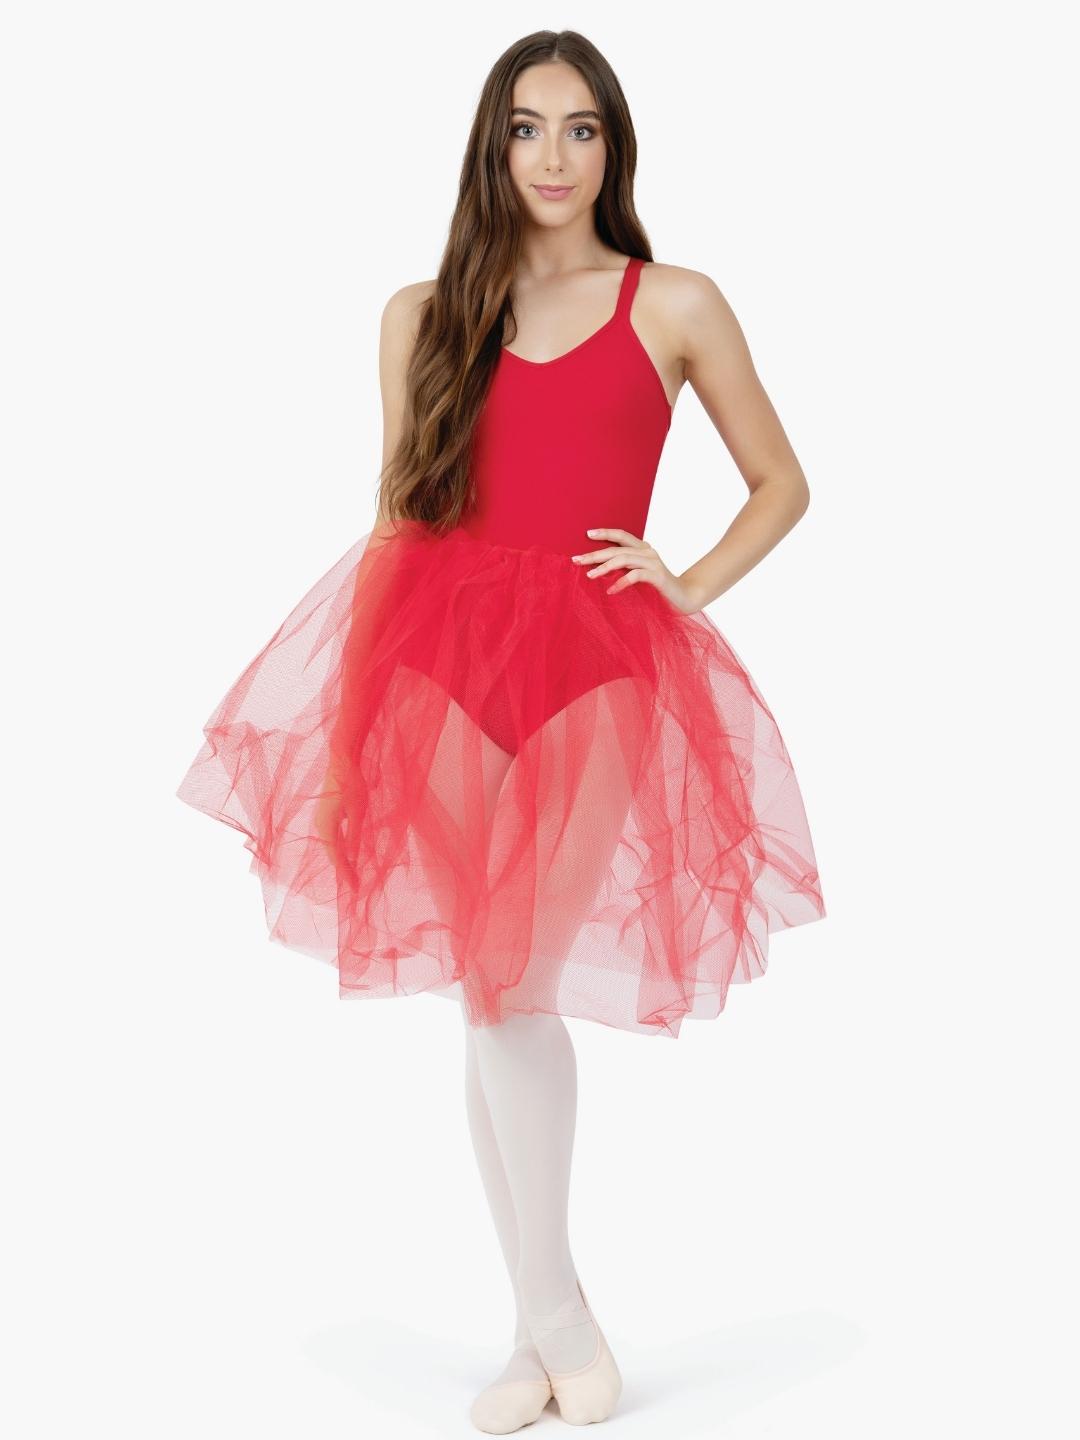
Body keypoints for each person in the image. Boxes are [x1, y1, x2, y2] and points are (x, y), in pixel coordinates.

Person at [176, 29, 826, 1433]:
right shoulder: (423, 313)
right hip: (438, 664)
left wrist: (686, 583)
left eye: (582, 128)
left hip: (595, 668)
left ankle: (553, 1320)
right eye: (528, 128)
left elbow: (782, 483)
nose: (554, 155)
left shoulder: (675, 302)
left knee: (512, 982)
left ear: (615, 147)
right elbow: (397, 523)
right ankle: (545, 1327)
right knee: (488, 991)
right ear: (492, 145)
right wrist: (350, 739)